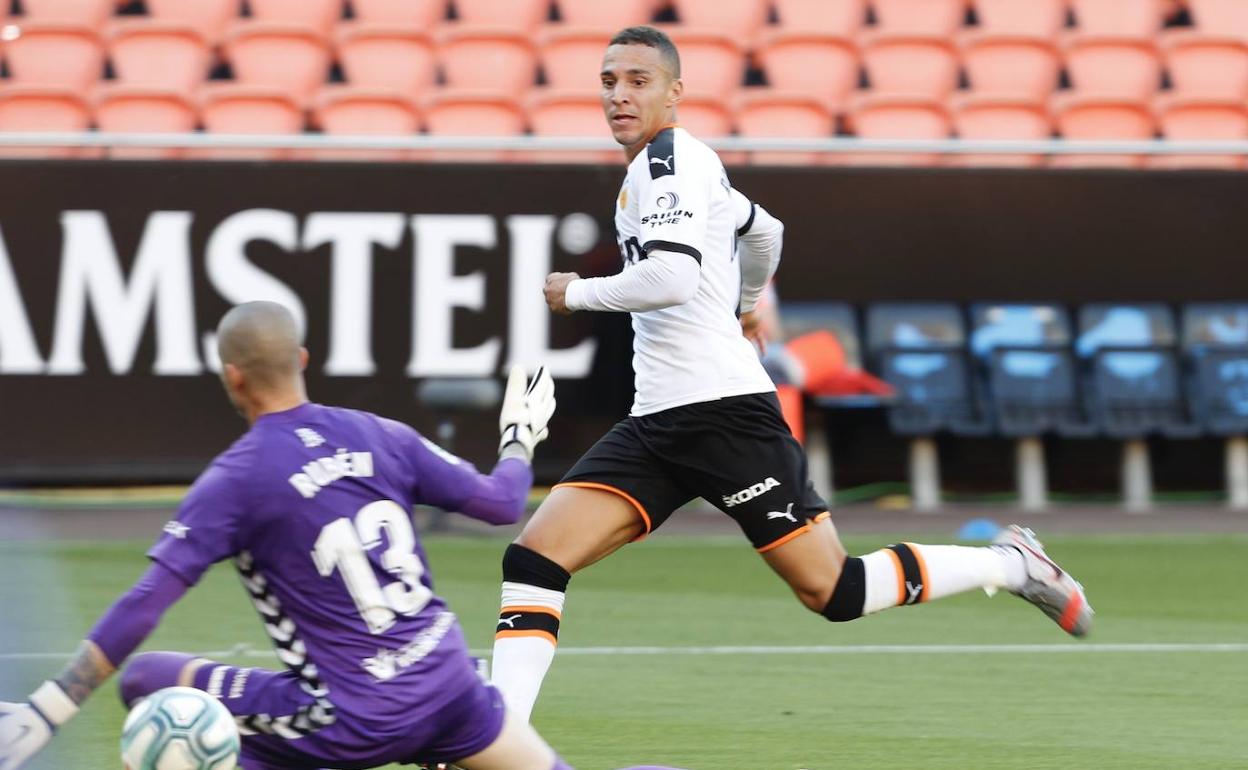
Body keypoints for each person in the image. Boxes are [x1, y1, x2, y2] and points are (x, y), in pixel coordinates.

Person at [489, 25, 1095, 725]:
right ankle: (497, 738)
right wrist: (747, 305)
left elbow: (673, 276)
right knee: (534, 560)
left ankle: (1012, 564)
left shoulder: (669, 163)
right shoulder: (668, 168)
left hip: (722, 416)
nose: (620, 95)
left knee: (834, 592)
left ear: (675, 93)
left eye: (638, 81)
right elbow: (765, 228)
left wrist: (578, 292)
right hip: (658, 422)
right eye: (608, 81)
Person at [0, 302, 678, 770]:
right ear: (301, 357)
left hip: (352, 717)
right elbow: (503, 502)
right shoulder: (378, 432)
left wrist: (50, 707)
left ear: (231, 377)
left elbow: (147, 600)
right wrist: (518, 436)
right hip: (449, 686)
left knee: (151, 685)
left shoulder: (234, 480)